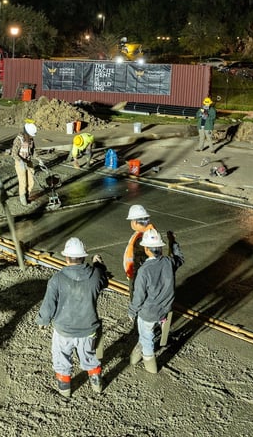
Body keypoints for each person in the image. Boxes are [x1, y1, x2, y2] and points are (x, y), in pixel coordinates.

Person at [35, 237, 108, 397]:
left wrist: (42, 320)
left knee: (61, 358)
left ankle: (65, 390)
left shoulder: (57, 279)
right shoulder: (95, 275)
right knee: (89, 356)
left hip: (63, 331)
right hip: (88, 329)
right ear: (83, 257)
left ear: (66, 258)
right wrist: (99, 266)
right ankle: (96, 384)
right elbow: (104, 281)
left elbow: (49, 304)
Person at [128, 229, 175, 374]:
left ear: (146, 249)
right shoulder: (169, 262)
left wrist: (132, 311)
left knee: (147, 336)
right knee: (145, 333)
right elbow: (180, 258)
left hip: (149, 312)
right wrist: (173, 242)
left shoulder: (144, 271)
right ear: (161, 247)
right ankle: (134, 358)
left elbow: (139, 296)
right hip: (165, 309)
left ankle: (151, 366)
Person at [123, 204, 156, 300]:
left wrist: (133, 276)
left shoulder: (142, 238)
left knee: (137, 299)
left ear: (136, 222)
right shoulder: (149, 233)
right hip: (139, 276)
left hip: (137, 277)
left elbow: (139, 261)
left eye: (131, 221)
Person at [11, 120, 37, 206]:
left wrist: (38, 158)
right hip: (20, 163)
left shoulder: (31, 140)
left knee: (31, 180)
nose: (31, 136)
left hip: (28, 161)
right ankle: (23, 200)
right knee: (23, 182)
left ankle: (28, 195)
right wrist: (21, 161)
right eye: (30, 135)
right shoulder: (18, 140)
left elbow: (33, 150)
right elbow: (14, 153)